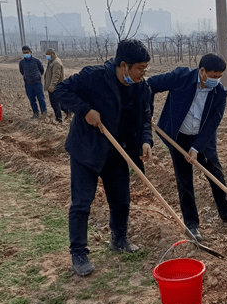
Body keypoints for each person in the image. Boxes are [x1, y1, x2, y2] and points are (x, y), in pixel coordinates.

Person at [54, 39, 153, 276]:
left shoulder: (141, 87)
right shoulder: (94, 77)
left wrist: (145, 140)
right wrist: (86, 110)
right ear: (124, 65)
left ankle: (119, 240)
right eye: (139, 68)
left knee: (121, 200)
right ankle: (78, 253)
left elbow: (145, 116)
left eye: (145, 68)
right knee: (82, 202)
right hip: (87, 150)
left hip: (118, 151)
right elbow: (60, 91)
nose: (143, 73)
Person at [147, 53, 227, 242]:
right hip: (177, 137)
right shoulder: (180, 77)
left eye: (219, 77)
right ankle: (192, 224)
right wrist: (147, 112)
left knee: (215, 173)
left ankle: (226, 211)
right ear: (202, 71)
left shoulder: (219, 93)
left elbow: (213, 123)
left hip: (203, 139)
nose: (216, 81)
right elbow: (150, 84)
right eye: (213, 76)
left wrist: (197, 147)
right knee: (184, 181)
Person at [19, 46, 47, 118]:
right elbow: (22, 72)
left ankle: (44, 113)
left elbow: (42, 70)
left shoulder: (37, 61)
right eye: (24, 53)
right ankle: (36, 113)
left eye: (27, 52)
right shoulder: (21, 63)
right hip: (28, 84)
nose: (26, 54)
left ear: (30, 52)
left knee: (41, 99)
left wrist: (37, 76)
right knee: (32, 100)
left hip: (37, 83)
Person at [44, 48, 69, 122]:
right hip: (52, 87)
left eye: (48, 55)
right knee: (56, 103)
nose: (47, 57)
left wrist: (52, 86)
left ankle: (59, 118)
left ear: (53, 54)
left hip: (56, 87)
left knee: (55, 104)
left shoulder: (56, 62)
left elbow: (56, 76)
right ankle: (68, 111)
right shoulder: (51, 62)